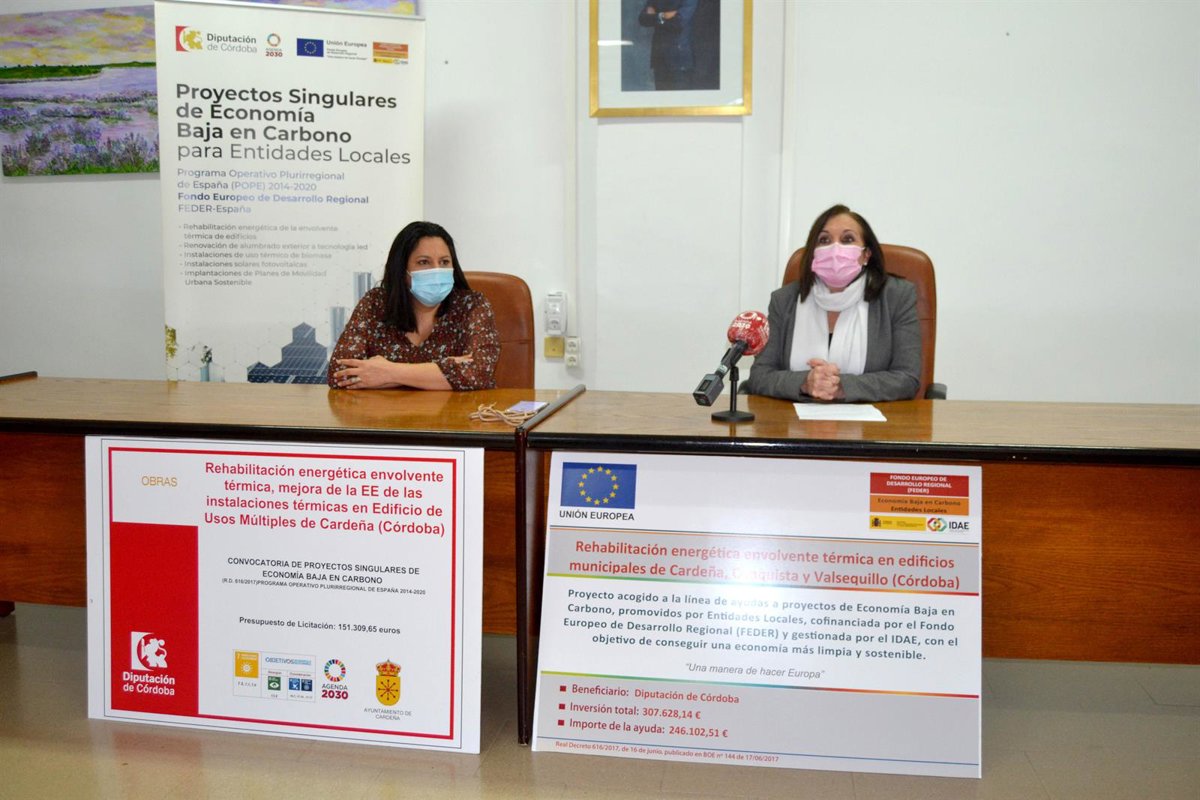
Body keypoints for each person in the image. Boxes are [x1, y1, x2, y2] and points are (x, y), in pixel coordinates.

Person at [746, 204, 921, 402]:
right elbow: (760, 376)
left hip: (873, 420)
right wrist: (805, 382)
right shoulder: (784, 300)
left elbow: (907, 378)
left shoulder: (896, 296)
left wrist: (842, 387)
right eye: (824, 240)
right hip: (794, 419)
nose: (835, 248)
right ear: (813, 254)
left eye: (847, 239)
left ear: (866, 254)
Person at [328, 221, 499, 391]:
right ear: (401, 269)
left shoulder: (472, 305)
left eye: (444, 262)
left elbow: (478, 373)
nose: (436, 270)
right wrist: (445, 368)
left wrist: (388, 372)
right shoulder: (375, 303)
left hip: (454, 409)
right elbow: (340, 373)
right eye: (424, 262)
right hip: (388, 409)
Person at [637, 0, 699, 90]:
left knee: (680, 97)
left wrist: (655, 16)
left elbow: (678, 23)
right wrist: (663, 15)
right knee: (661, 97)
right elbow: (642, 19)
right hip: (659, 58)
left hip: (679, 59)